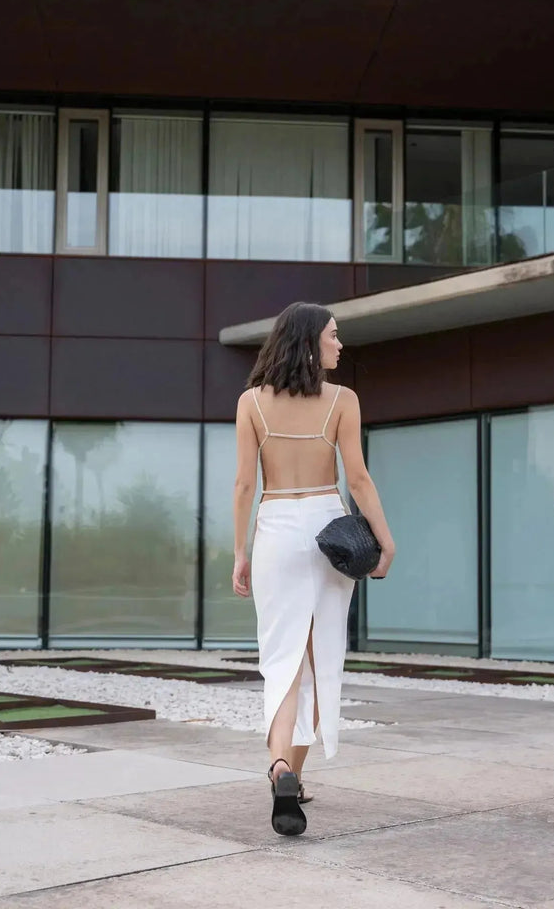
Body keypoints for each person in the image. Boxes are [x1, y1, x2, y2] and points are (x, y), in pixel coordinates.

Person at [232, 301, 395, 836]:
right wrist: (385, 541)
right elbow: (360, 480)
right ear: (309, 342)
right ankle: (292, 779)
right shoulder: (342, 401)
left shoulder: (251, 403)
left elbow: (244, 486)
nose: (339, 344)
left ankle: (280, 770)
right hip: (328, 530)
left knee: (282, 662)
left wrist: (240, 552)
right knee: (320, 659)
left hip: (275, 529)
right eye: (333, 335)